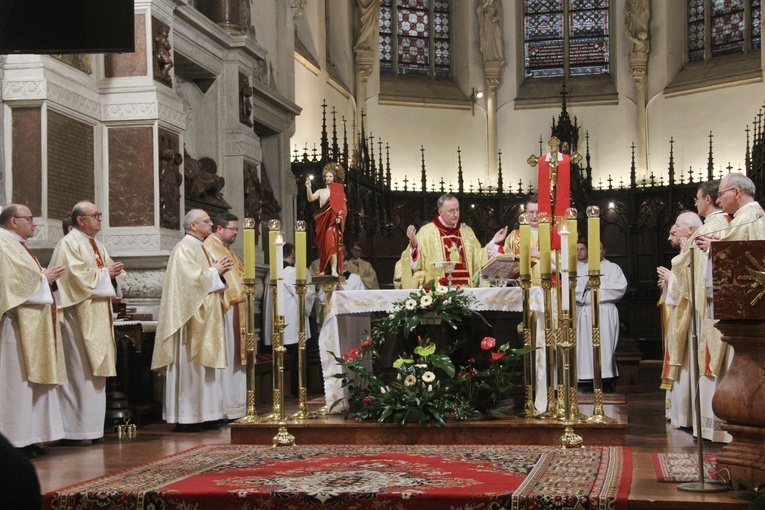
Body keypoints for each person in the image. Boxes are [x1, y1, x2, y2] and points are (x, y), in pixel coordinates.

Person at [49, 201, 124, 445]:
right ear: (80, 220)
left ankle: (91, 429)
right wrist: (106, 275)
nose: (100, 219)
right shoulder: (69, 244)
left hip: (98, 315)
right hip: (77, 318)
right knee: (79, 371)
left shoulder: (96, 244)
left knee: (94, 374)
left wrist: (113, 277)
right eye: (96, 215)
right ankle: (75, 431)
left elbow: (109, 276)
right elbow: (73, 280)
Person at [151, 209, 233, 432]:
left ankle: (208, 414)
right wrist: (214, 271)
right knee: (192, 367)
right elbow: (188, 284)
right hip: (191, 319)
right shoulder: (184, 248)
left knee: (205, 369)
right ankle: (189, 416)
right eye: (206, 221)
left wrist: (219, 272)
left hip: (206, 318)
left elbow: (204, 278)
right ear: (193, 225)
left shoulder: (200, 247)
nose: (210, 224)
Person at [0, 204, 66, 458]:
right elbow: (10, 283)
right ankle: (15, 440)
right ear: (13, 221)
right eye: (29, 219)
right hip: (15, 326)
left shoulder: (16, 244)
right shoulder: (4, 244)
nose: (34, 224)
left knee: (29, 385)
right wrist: (43, 278)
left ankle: (30, 436)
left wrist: (43, 277)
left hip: (32, 324)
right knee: (15, 385)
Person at [657, 210, 702, 430]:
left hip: (692, 320)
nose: (671, 234)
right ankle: (679, 414)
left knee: (686, 366)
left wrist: (671, 279)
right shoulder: (687, 250)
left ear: (690, 229)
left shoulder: (694, 249)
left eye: (677, 227)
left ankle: (686, 416)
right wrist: (669, 283)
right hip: (682, 317)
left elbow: (690, 289)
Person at [401, 193, 506, 288]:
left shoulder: (467, 232)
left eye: (457, 209)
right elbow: (413, 266)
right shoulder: (426, 232)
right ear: (440, 212)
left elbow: (478, 258)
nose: (456, 214)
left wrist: (494, 242)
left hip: (467, 291)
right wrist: (414, 245)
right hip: (439, 293)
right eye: (451, 211)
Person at [203, 213, 246, 420]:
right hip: (225, 308)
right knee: (228, 355)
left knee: (236, 356)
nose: (236, 233)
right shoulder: (210, 246)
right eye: (233, 229)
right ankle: (226, 407)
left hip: (236, 307)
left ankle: (237, 406)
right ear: (220, 229)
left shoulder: (227, 249)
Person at [264, 243, 316, 396]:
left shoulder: (272, 272)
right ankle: (297, 388)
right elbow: (304, 295)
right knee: (295, 358)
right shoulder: (292, 272)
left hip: (277, 323)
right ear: (292, 254)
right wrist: (311, 293)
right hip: (292, 323)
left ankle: (280, 389)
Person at [575, 242, 628, 392]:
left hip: (604, 311)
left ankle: (606, 378)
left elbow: (620, 287)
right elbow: (574, 291)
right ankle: (588, 378)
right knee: (586, 346)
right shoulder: (582, 269)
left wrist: (598, 287)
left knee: (605, 345)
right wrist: (584, 288)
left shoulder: (613, 268)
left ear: (604, 250)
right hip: (586, 311)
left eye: (598, 248)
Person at [306, 164, 347, 277]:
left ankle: (333, 269)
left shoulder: (338, 191)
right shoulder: (320, 191)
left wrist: (340, 218)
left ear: (334, 178)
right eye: (327, 176)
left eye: (330, 176)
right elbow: (311, 198)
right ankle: (322, 269)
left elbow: (343, 208)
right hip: (322, 222)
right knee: (323, 247)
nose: (328, 178)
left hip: (332, 222)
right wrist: (308, 187)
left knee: (331, 244)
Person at [499, 195, 542, 283]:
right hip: (520, 283)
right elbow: (506, 259)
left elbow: (560, 259)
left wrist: (543, 255)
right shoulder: (514, 235)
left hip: (544, 285)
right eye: (531, 212)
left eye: (538, 212)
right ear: (526, 212)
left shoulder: (550, 235)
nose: (534, 216)